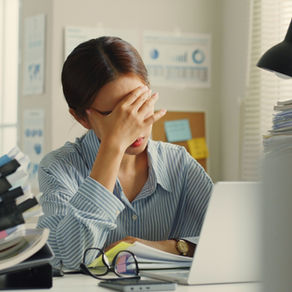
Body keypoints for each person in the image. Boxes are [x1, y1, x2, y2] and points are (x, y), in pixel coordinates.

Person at [37, 36, 213, 270]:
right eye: (114, 114)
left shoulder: (179, 164)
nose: (134, 122)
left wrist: (158, 247)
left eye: (139, 103)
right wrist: (113, 146)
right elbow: (69, 257)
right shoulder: (58, 168)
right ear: (81, 117)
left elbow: (230, 243)